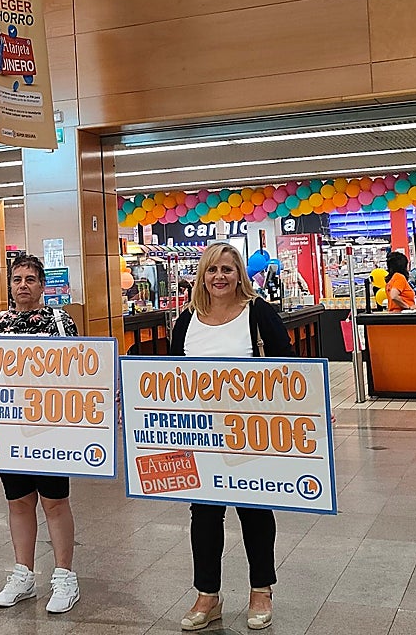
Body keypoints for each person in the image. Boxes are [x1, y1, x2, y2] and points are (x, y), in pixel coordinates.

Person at [169, 242, 292, 632]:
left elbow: (287, 367)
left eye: (227, 269)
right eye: (211, 270)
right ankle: (208, 595)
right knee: (203, 513)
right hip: (200, 433)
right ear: (201, 276)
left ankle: (261, 590)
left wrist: (311, 411)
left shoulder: (258, 314)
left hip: (250, 432)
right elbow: (170, 378)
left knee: (254, 509)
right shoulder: (187, 320)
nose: (219, 277)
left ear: (239, 274)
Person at [0, 254, 81, 614]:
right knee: (18, 501)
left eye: (30, 279)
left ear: (42, 285)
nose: (22, 285)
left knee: (55, 502)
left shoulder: (59, 321)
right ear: (9, 286)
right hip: (9, 427)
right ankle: (23, 574)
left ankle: (65, 576)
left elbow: (79, 369)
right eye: (16, 279)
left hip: (50, 427)